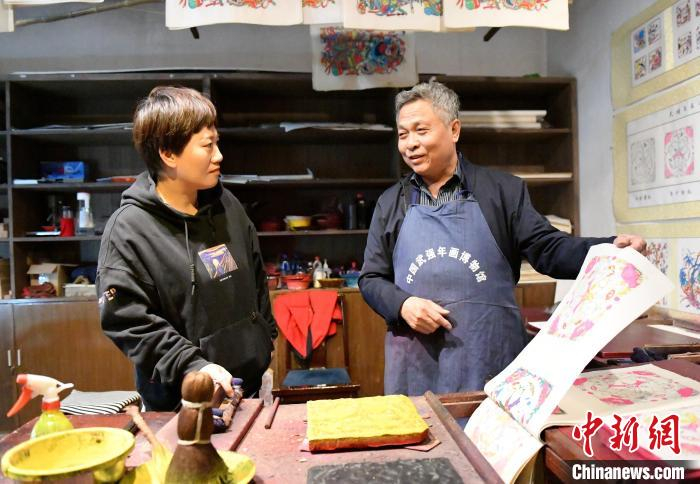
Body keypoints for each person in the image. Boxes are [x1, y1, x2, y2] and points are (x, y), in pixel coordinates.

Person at [359, 80, 646, 396]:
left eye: (421, 131)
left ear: (454, 130)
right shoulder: (390, 203)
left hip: (489, 357)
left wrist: (609, 248)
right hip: (417, 364)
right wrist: (403, 305)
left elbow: (549, 249)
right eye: (403, 134)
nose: (410, 144)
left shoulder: (503, 192)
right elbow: (371, 278)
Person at [97, 86, 276, 410]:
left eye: (217, 142)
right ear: (168, 153)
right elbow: (128, 321)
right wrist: (194, 367)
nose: (218, 155)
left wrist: (264, 336)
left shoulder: (227, 206)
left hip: (246, 390)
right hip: (181, 404)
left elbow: (256, 277)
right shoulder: (128, 230)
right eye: (207, 145)